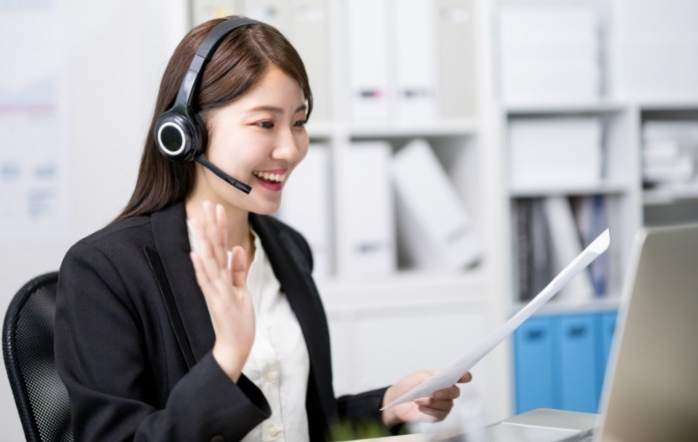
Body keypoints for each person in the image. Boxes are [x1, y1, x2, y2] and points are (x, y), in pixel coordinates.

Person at [54, 16, 472, 442]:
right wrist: (227, 358)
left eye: (299, 121)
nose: (291, 150)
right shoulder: (105, 271)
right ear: (186, 132)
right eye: (265, 123)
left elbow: (303, 420)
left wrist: (386, 407)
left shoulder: (288, 250)